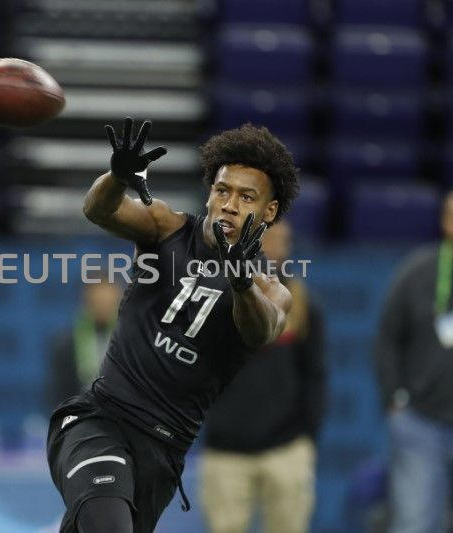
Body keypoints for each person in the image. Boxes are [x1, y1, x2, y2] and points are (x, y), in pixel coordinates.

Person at [46, 118, 299, 533]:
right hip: (101, 419)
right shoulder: (168, 227)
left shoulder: (269, 289)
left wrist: (240, 282)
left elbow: (260, 330)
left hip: (162, 450)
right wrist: (116, 178)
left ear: (269, 211)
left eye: (246, 196)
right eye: (222, 190)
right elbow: (99, 209)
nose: (229, 204)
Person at [198, 219, 325, 533]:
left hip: (286, 449)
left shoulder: (302, 302)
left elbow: (315, 374)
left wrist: (305, 438)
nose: (276, 246)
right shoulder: (216, 296)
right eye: (269, 238)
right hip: (226, 452)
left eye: (283, 239)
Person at [374, 185, 453, 533]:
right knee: (414, 524)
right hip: (422, 425)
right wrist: (394, 399)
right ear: (443, 222)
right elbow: (387, 337)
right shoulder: (417, 271)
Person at [47, 276, 122, 411]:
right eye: (98, 300)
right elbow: (61, 396)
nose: (103, 306)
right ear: (87, 300)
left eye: (108, 301)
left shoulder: (130, 341)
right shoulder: (66, 345)